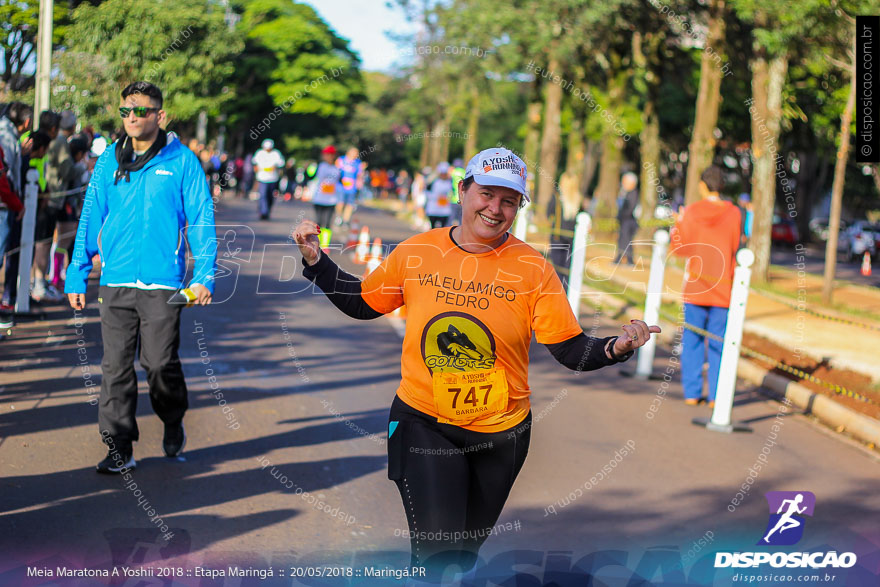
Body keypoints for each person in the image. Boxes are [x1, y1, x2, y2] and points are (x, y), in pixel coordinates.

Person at [292, 147, 660, 582]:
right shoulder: (419, 251)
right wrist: (317, 261)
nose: (495, 209)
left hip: (501, 434)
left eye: (509, 201)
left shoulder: (534, 270)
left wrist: (616, 347)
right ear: (463, 190)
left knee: (461, 556)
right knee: (438, 552)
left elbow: (569, 349)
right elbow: (364, 303)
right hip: (424, 421)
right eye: (486, 194)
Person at [65, 81, 217, 473]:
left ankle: (172, 418)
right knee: (115, 367)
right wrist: (77, 273)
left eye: (141, 111)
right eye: (126, 112)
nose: (131, 118)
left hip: (165, 284)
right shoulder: (108, 162)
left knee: (159, 363)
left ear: (159, 116)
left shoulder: (182, 162)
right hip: (114, 280)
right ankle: (120, 448)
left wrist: (203, 275)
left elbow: (200, 219)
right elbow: (90, 218)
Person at [669, 165, 741, 407]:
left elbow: (680, 249)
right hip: (724, 284)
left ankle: (692, 392)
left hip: (697, 284)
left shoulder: (691, 212)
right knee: (719, 341)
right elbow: (734, 247)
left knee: (692, 340)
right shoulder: (735, 214)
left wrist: (677, 223)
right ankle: (716, 397)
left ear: (702, 185)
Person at [2, 131, 51, 313]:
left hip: (23, 212)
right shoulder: (20, 162)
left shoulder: (27, 161)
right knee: (13, 255)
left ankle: (16, 294)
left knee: (21, 254)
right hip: (16, 213)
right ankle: (9, 296)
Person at [310, 146, 341, 229]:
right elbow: (310, 177)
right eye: (325, 154)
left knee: (327, 224)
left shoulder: (337, 168)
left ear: (333, 155)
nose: (326, 156)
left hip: (331, 200)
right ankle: (316, 241)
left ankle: (325, 242)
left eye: (329, 155)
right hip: (319, 199)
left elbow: (342, 182)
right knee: (318, 223)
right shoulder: (319, 166)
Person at [253, 139, 283, 219]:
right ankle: (263, 211)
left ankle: (267, 210)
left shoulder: (276, 154)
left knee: (270, 196)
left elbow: (281, 164)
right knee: (263, 195)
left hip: (273, 179)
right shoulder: (259, 153)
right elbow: (254, 163)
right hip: (262, 178)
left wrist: (276, 167)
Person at [614, 171, 640, 265]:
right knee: (622, 240)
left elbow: (629, 209)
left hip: (629, 222)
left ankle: (627, 260)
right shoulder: (625, 192)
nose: (623, 183)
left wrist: (622, 215)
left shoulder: (633, 193)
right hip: (624, 221)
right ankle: (622, 259)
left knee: (626, 240)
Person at [336, 147, 363, 225]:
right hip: (341, 186)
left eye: (356, 153)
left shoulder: (358, 163)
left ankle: (346, 220)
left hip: (352, 188)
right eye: (354, 153)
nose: (355, 155)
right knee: (340, 203)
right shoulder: (341, 160)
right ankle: (339, 217)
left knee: (349, 205)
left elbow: (359, 175)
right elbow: (336, 170)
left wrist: (359, 185)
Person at [424, 161, 454, 229]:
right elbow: (427, 192)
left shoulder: (449, 181)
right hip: (433, 208)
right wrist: (435, 197)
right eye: (442, 173)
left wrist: (447, 198)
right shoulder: (434, 181)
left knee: (443, 228)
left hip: (444, 209)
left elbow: (451, 192)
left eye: (445, 173)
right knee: (433, 228)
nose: (443, 175)